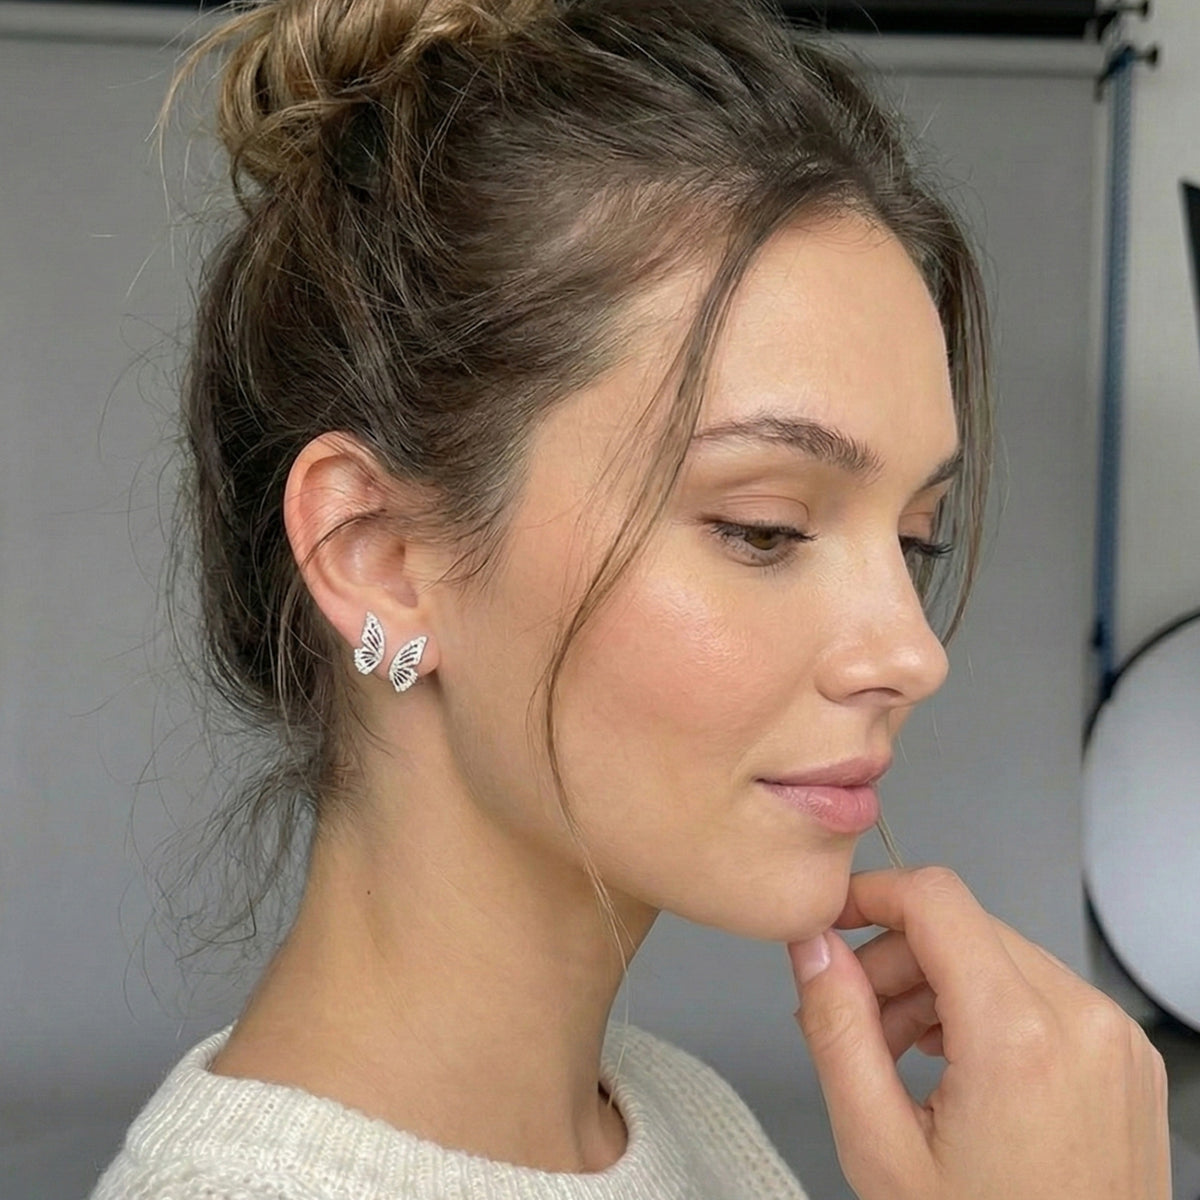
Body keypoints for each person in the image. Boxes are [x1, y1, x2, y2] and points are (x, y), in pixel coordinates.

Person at [91, 0, 1171, 1197]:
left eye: (917, 537)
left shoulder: (670, 1117)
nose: (913, 653)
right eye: (762, 528)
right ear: (378, 554)